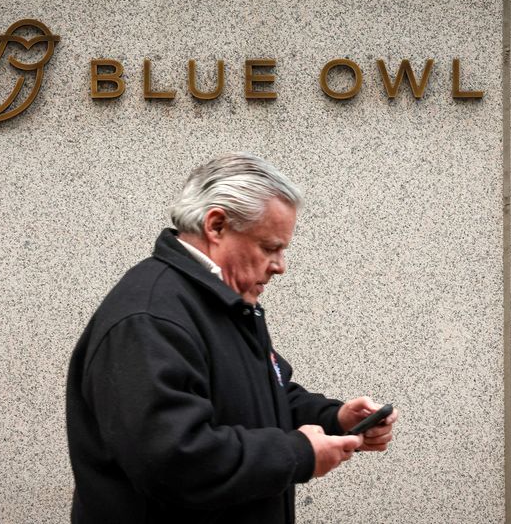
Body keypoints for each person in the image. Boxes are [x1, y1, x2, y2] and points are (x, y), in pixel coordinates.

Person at [66, 152, 398, 523]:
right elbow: (175, 460)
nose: (280, 266)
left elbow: (263, 394)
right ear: (217, 225)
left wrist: (334, 418)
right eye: (270, 247)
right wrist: (298, 453)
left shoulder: (219, 301)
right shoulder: (149, 319)